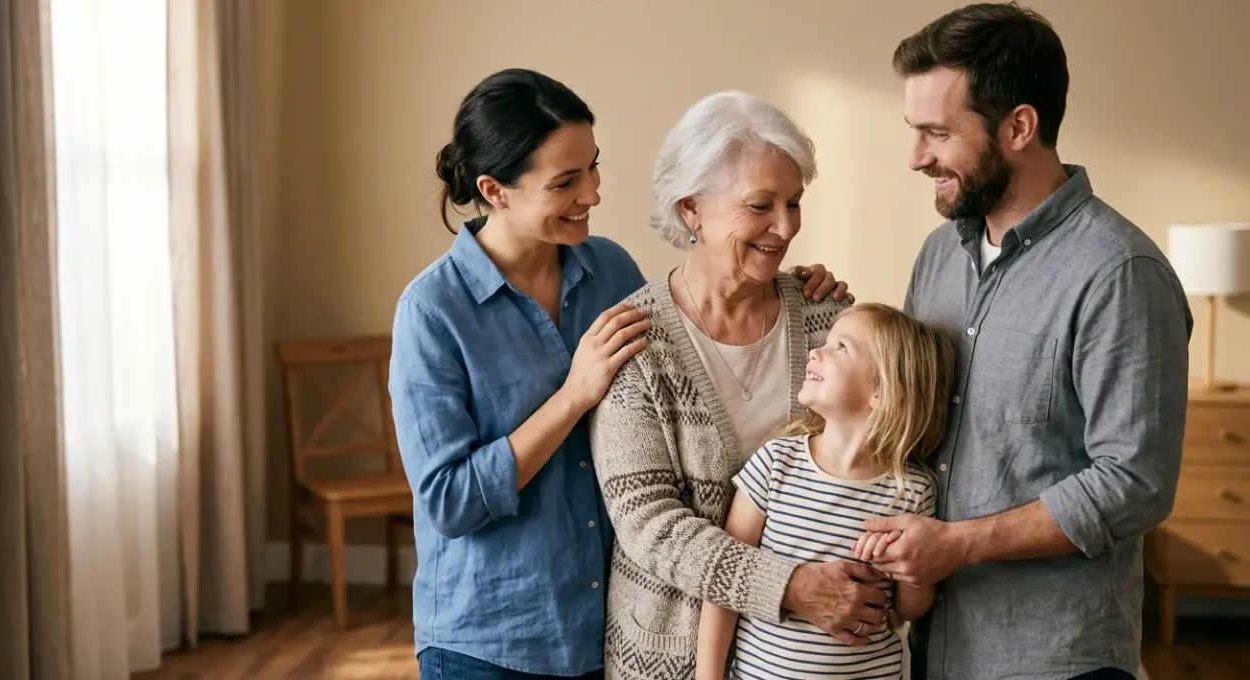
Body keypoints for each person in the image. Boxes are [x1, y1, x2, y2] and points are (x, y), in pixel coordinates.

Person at [388, 68, 851, 680]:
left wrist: (795, 284)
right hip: (491, 637)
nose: (593, 194)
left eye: (594, 166)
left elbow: (701, 303)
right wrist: (572, 397)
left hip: (602, 624)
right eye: (566, 181)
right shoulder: (433, 311)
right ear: (495, 190)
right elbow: (449, 501)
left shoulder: (608, 270)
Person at [854, 4, 1194, 680]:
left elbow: (1135, 482)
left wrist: (959, 545)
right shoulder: (938, 257)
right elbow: (908, 408)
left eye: (936, 133)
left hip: (1056, 657)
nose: (916, 157)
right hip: (933, 651)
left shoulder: (1121, 273)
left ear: (1019, 126)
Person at [589, 91, 890, 680]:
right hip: (668, 656)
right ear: (691, 209)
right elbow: (650, 526)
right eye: (760, 205)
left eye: (794, 202)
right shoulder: (636, 343)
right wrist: (790, 585)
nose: (785, 227)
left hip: (821, 660)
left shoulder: (829, 319)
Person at [694, 303, 957, 680]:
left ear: (881, 390)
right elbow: (725, 582)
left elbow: (910, 609)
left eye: (841, 347)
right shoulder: (776, 463)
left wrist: (909, 572)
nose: (817, 351)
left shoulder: (913, 492)